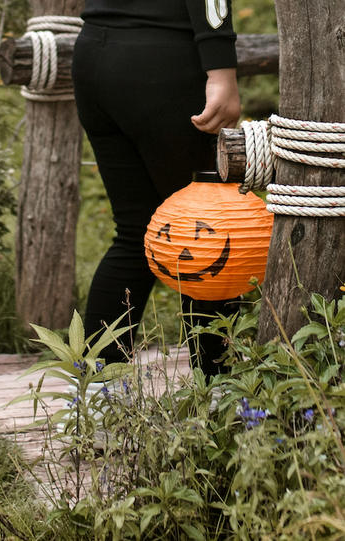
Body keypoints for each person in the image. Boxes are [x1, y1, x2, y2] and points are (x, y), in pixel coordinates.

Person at [73, 0, 242, 375]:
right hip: (164, 62)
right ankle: (221, 397)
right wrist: (221, 70)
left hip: (94, 55)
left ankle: (98, 392)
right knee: (208, 236)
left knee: (135, 232)